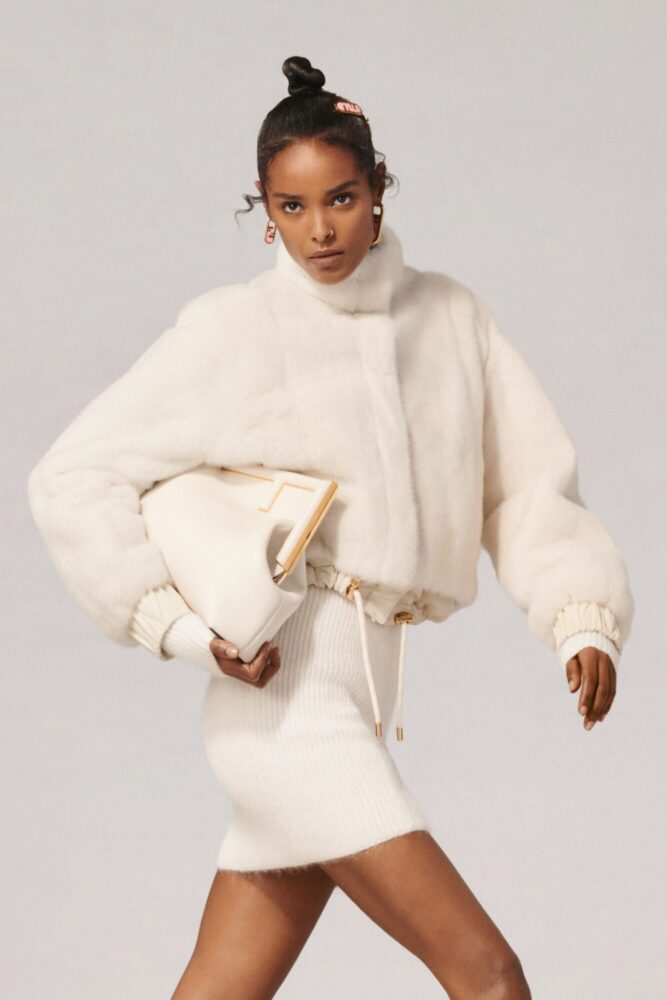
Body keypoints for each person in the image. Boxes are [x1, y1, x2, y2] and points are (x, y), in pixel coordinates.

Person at [27, 55, 634, 1000]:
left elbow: (523, 486)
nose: (319, 229)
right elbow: (71, 476)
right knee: (489, 975)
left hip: (358, 699)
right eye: (291, 206)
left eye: (341, 198)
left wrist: (579, 615)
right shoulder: (235, 329)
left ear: (379, 189)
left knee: (220, 989)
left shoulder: (451, 319)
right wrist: (173, 626)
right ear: (264, 212)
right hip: (284, 701)